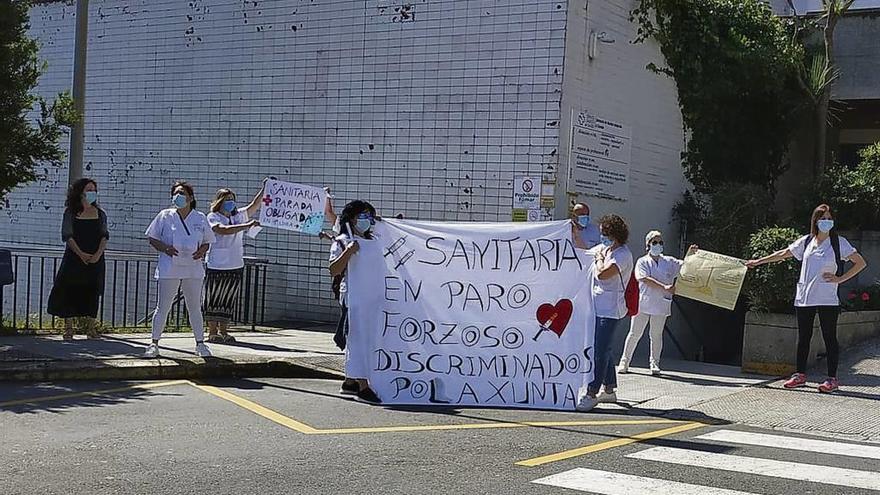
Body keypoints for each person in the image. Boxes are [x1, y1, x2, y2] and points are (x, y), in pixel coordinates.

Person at [746, 204, 866, 393]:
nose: (826, 221)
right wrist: (758, 262)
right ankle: (800, 375)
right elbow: (783, 254)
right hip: (805, 297)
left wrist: (840, 279)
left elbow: (860, 262)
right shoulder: (806, 241)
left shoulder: (839, 242)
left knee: (829, 337)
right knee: (804, 337)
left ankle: (832, 379)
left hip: (827, 298)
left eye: (829, 218)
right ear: (815, 221)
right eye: (822, 218)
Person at [144, 181, 216, 358]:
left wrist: (201, 251)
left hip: (193, 268)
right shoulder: (165, 216)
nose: (178, 197)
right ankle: (154, 343)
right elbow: (152, 238)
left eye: (182, 193)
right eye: (176, 193)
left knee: (194, 307)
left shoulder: (200, 217)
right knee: (163, 307)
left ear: (190, 198)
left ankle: (200, 344)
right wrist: (166, 248)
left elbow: (208, 241)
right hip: (170, 267)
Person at [617, 231, 696, 375]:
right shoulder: (642, 261)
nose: (658, 245)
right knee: (635, 333)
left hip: (661, 304)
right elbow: (644, 278)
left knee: (656, 335)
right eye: (654, 242)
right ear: (648, 245)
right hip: (644, 303)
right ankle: (625, 361)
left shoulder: (669, 261)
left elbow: (685, 266)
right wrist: (664, 286)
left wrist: (690, 255)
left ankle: (654, 363)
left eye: (660, 242)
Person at [577, 214, 634, 412]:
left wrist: (600, 259)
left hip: (611, 309)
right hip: (597, 307)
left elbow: (603, 275)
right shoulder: (605, 248)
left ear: (615, 234)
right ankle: (609, 389)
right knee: (605, 349)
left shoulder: (622, 255)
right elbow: (584, 252)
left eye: (605, 234)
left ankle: (592, 393)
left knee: (599, 351)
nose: (602, 238)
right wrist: (575, 233)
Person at [328, 200, 382, 404]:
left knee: (369, 336)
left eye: (370, 216)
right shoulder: (342, 241)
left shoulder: (375, 238)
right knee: (357, 336)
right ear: (352, 219)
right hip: (354, 297)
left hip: (374, 296)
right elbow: (334, 270)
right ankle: (362, 384)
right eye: (363, 216)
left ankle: (350, 380)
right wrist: (349, 251)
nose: (367, 220)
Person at [203, 183, 266, 343]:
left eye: (232, 199)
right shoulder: (213, 217)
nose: (230, 202)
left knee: (228, 298)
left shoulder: (238, 215)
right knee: (214, 298)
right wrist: (247, 226)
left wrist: (265, 189)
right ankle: (212, 331)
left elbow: (254, 205)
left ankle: (224, 331)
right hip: (217, 264)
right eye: (226, 200)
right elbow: (222, 230)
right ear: (219, 202)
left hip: (235, 263)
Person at [47, 178, 109, 339]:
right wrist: (80, 254)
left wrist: (97, 255)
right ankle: (68, 328)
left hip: (95, 258)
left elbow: (104, 235)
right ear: (80, 192)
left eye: (94, 190)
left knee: (93, 290)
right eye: (89, 189)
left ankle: (91, 328)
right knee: (69, 289)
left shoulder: (100, 214)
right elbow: (68, 235)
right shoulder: (71, 213)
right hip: (74, 258)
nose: (92, 193)